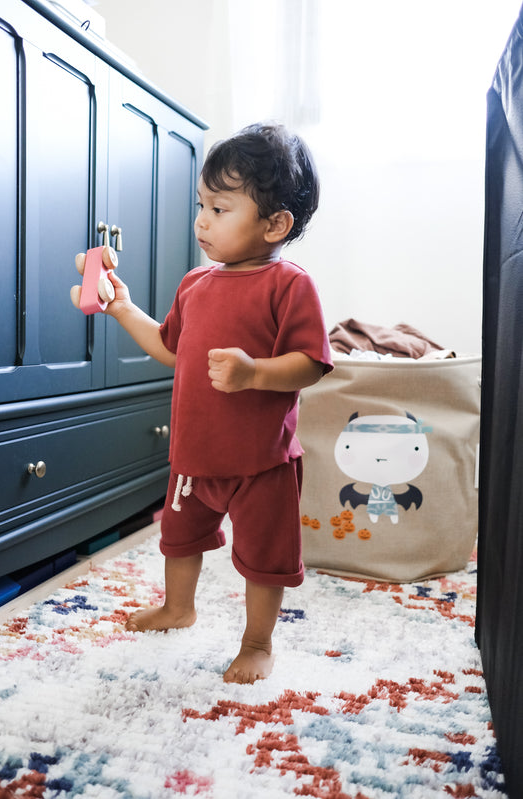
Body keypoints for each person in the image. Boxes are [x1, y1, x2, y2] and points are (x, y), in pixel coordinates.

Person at [78, 122, 333, 684]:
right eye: (202, 205)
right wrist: (121, 308)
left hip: (262, 461)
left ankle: (258, 641)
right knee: (180, 536)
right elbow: (171, 349)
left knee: (266, 557)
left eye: (220, 209)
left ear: (275, 224)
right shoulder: (195, 283)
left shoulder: (288, 285)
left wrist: (254, 373)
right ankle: (178, 606)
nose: (201, 221)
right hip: (194, 454)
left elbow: (311, 362)